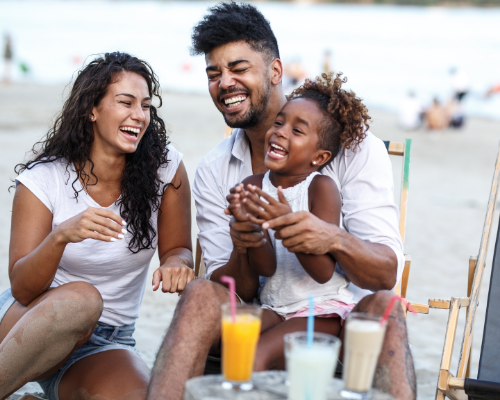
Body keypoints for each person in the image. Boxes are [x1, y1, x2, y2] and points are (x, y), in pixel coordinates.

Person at [147, 3, 415, 400]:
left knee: (384, 311)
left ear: (275, 71)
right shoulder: (216, 170)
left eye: (239, 69)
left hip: (341, 314)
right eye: (214, 74)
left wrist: (328, 237)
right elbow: (238, 287)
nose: (224, 83)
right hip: (269, 312)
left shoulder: (354, 151)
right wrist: (246, 240)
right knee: (201, 294)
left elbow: (383, 273)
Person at [0, 52, 194, 400]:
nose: (139, 115)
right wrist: (61, 236)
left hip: (106, 340)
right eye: (125, 102)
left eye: (146, 105)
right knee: (83, 299)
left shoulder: (165, 169)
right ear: (92, 109)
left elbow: (178, 249)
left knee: (138, 395)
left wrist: (177, 264)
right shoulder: (44, 179)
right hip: (31, 323)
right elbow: (23, 289)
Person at [225, 73, 369, 369]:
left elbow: (322, 272)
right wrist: (249, 230)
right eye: (279, 122)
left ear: (319, 157)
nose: (280, 132)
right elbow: (266, 267)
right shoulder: (254, 184)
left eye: (297, 131)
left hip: (320, 310)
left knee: (254, 358)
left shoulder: (321, 189)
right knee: (230, 345)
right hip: (276, 306)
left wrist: (286, 223)